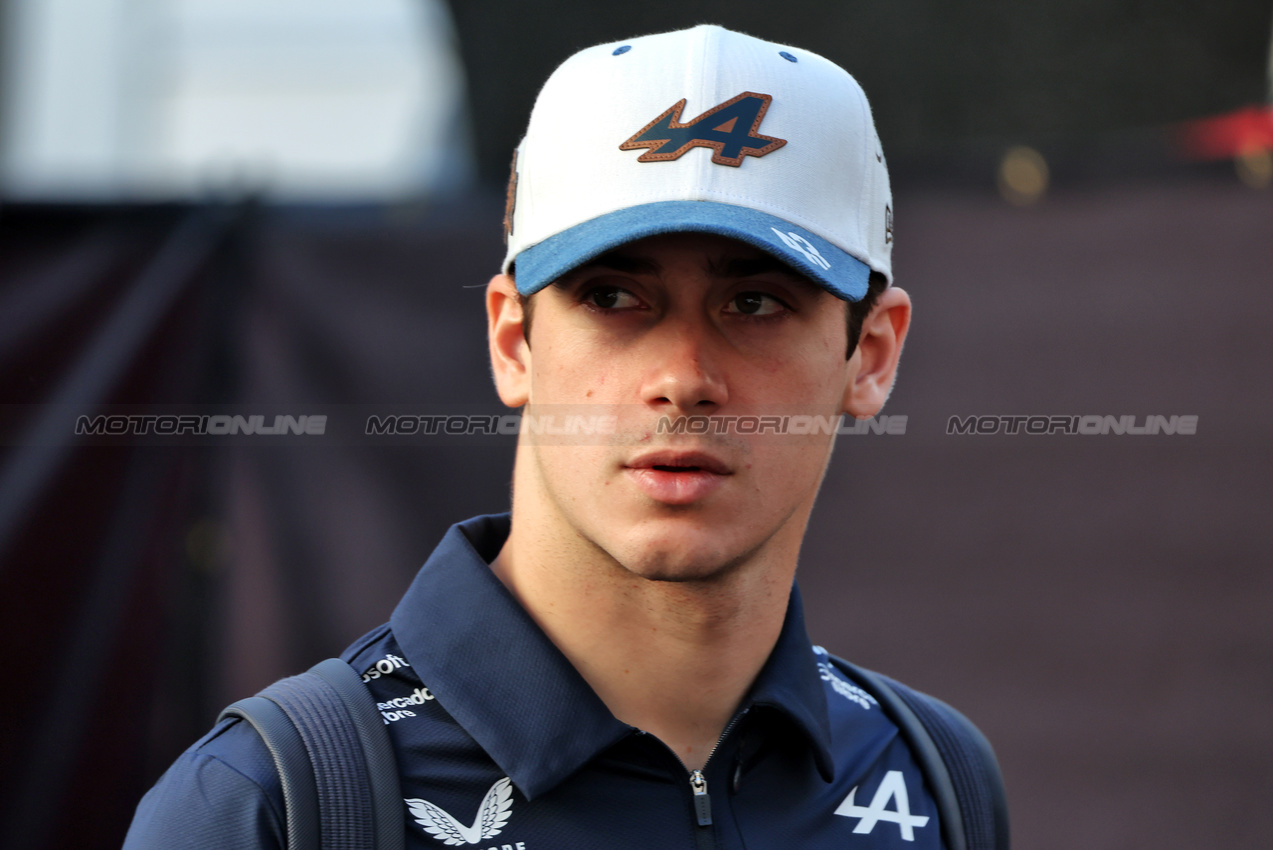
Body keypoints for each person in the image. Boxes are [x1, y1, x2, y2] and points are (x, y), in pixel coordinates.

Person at [126, 24, 1004, 849]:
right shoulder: (267, 804)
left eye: (755, 302)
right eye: (613, 298)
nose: (684, 378)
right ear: (514, 341)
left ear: (872, 355)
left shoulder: (933, 780)